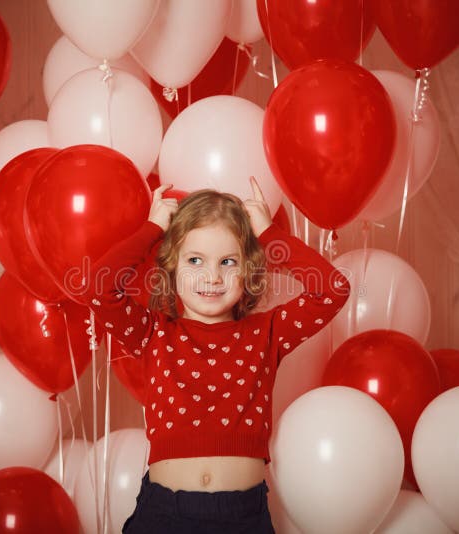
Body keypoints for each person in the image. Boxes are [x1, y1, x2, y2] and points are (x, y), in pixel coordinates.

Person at [79, 176, 350, 533]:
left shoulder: (266, 333)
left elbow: (333, 290)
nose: (212, 276)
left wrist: (269, 234)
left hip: (243, 516)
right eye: (195, 260)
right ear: (172, 264)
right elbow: (99, 287)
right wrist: (152, 228)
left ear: (249, 268)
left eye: (227, 262)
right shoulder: (153, 333)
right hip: (163, 514)